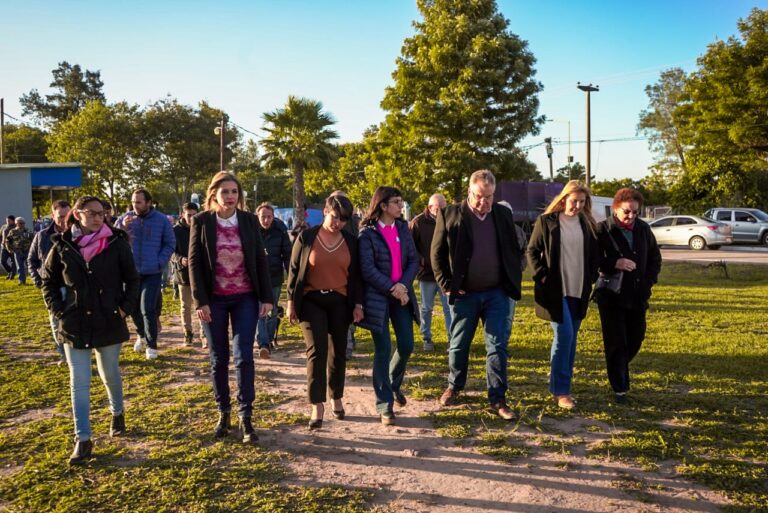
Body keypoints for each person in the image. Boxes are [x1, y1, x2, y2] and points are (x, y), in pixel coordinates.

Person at [42, 195, 139, 464]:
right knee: (79, 382)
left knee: (110, 374)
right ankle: (82, 439)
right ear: (77, 213)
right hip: (74, 324)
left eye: (102, 213)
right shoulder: (62, 245)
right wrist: (59, 310)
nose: (99, 217)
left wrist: (123, 309)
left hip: (108, 320)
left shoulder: (116, 243)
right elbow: (48, 281)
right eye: (92, 213)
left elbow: (132, 280)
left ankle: (117, 412)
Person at [189, 171, 274, 443]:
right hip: (213, 300)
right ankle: (223, 411)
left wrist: (267, 297)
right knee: (219, 359)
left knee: (244, 357)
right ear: (213, 194)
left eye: (234, 192)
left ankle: (245, 416)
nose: (229, 197)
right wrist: (200, 300)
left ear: (240, 196)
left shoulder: (249, 221)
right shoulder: (202, 221)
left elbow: (260, 260)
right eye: (225, 192)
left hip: (245, 298)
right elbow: (194, 262)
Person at [432, 170, 523, 421]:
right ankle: (454, 385)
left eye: (490, 197)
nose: (485, 203)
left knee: (497, 345)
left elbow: (513, 249)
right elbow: (437, 254)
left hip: (496, 293)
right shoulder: (450, 214)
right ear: (469, 192)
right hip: (465, 294)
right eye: (480, 197)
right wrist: (446, 284)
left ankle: (498, 398)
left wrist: (512, 275)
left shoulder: (503, 214)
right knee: (459, 344)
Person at [286, 195, 364, 430]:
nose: (337, 222)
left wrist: (358, 304)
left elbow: (357, 276)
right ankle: (316, 404)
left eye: (343, 219)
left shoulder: (351, 241)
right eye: (334, 217)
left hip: (340, 301)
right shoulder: (307, 237)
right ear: (325, 212)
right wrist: (291, 301)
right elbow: (293, 270)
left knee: (338, 352)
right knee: (316, 352)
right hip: (311, 301)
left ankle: (336, 396)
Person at [527, 180, 600, 410]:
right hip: (555, 290)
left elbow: (594, 254)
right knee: (564, 336)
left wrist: (592, 275)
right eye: (573, 201)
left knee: (571, 340)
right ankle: (561, 391)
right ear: (563, 199)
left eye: (581, 201)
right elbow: (532, 251)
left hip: (579, 289)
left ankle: (562, 386)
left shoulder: (587, 223)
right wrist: (542, 276)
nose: (577, 205)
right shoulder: (546, 221)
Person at [358, 186, 419, 426]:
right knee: (383, 349)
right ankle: (384, 405)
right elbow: (367, 269)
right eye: (396, 202)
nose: (400, 206)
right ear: (383, 205)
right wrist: (392, 287)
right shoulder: (367, 234)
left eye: (401, 201)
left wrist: (402, 286)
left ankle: (392, 384)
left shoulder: (403, 228)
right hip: (378, 299)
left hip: (402, 297)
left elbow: (414, 260)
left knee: (406, 344)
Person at [595, 188, 661, 404]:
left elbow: (654, 258)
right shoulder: (603, 229)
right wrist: (615, 263)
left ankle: (619, 367)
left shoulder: (643, 229)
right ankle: (620, 388)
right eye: (626, 212)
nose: (631, 216)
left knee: (636, 336)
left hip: (638, 294)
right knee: (616, 342)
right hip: (611, 295)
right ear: (615, 208)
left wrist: (649, 282)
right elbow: (592, 260)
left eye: (635, 212)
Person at [115, 189, 175, 360]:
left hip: (152, 272)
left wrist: (159, 262)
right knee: (132, 307)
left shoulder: (161, 220)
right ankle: (141, 335)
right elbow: (112, 240)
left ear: (149, 202)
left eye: (139, 202)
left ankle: (151, 345)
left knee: (147, 308)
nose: (135, 205)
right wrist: (122, 228)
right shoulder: (125, 219)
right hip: (130, 273)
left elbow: (170, 243)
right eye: (133, 201)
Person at [28, 200, 72, 363]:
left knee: (74, 319)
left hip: (72, 285)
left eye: (67, 216)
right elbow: (31, 260)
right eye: (60, 216)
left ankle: (77, 351)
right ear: (53, 215)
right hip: (51, 286)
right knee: (55, 321)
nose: (63, 220)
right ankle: (63, 354)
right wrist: (39, 281)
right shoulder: (42, 236)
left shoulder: (76, 234)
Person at [410, 193, 451, 352]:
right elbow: (410, 246)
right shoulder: (418, 222)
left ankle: (451, 339)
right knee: (426, 308)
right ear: (429, 207)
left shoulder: (449, 219)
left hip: (445, 274)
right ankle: (426, 337)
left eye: (444, 207)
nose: (441, 210)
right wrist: (421, 260)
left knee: (449, 308)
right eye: (438, 207)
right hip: (426, 274)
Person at [255, 202, 292, 359]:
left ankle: (269, 339)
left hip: (275, 277)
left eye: (269, 217)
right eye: (263, 217)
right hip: (255, 279)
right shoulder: (251, 230)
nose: (266, 220)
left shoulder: (280, 229)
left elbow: (287, 254)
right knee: (259, 311)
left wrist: (291, 275)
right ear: (258, 217)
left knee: (272, 310)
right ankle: (263, 343)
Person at [329, 190, 362, 360]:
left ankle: (348, 341)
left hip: (349, 272)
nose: (339, 222)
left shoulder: (355, 222)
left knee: (348, 311)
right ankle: (345, 344)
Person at [171, 202, 203, 347]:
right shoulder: (175, 231)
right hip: (183, 273)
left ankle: (204, 334)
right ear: (182, 215)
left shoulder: (202, 227)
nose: (191, 218)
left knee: (203, 304)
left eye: (194, 215)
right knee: (186, 306)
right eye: (188, 215)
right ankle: (188, 332)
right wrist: (179, 259)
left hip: (201, 273)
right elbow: (169, 250)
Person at [5, 217, 34, 285]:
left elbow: (33, 240)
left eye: (23, 223)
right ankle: (22, 281)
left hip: (27, 251)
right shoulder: (12, 231)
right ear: (16, 223)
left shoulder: (28, 231)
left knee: (31, 266)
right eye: (21, 223)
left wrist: (32, 249)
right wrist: (9, 249)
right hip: (18, 251)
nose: (22, 224)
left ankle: (35, 279)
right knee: (20, 267)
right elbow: (7, 241)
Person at [1, 215, 17, 279]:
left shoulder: (15, 227)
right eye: (7, 220)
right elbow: (0, 235)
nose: (7, 221)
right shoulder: (3, 227)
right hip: (4, 247)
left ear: (13, 221)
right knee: (2, 261)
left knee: (13, 261)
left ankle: (12, 275)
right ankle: (10, 271)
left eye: (9, 220)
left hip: (12, 247)